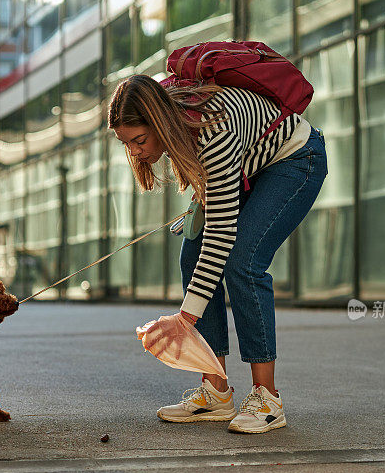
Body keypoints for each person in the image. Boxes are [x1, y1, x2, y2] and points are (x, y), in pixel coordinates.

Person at [108, 72, 327, 433]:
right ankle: (216, 391)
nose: (134, 151)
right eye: (125, 143)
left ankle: (267, 399)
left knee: (244, 261)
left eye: (139, 140)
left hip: (295, 160)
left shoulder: (213, 133)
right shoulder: (179, 120)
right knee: (192, 254)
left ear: (160, 122)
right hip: (251, 164)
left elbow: (223, 235)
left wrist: (185, 320)